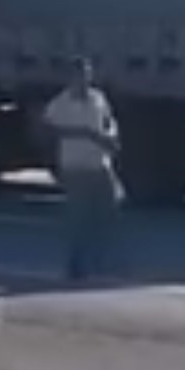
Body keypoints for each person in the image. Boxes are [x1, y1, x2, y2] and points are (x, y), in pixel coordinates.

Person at [43, 57, 121, 282]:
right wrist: (81, 133)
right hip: (75, 167)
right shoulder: (62, 102)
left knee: (108, 212)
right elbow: (47, 128)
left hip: (100, 164)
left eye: (87, 74)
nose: (84, 79)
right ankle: (75, 265)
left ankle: (101, 262)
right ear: (71, 78)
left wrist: (111, 136)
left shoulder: (98, 98)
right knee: (79, 219)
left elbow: (108, 121)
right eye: (79, 75)